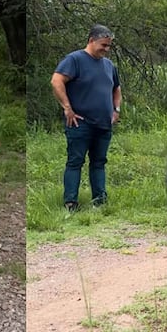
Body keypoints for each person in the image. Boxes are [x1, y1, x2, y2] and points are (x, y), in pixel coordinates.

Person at [50, 24, 122, 212]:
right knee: (75, 161)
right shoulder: (74, 59)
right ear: (91, 40)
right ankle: (71, 203)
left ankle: (100, 200)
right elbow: (56, 81)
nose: (106, 49)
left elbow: (116, 89)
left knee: (99, 162)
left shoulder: (108, 65)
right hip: (79, 123)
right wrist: (67, 107)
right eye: (103, 45)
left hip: (104, 124)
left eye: (109, 46)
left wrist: (116, 110)